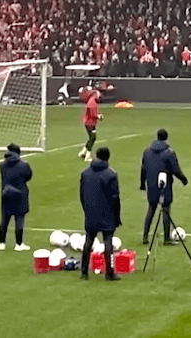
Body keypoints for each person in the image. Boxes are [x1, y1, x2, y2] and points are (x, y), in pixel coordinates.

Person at [79, 146, 121, 281]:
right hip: (107, 212)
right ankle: (109, 273)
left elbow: (81, 194)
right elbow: (115, 197)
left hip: (91, 211)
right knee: (108, 241)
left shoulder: (85, 173)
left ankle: (84, 272)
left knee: (88, 240)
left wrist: (86, 208)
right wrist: (117, 215)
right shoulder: (111, 174)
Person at [141, 128, 188, 246]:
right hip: (164, 184)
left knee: (151, 209)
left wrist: (142, 184)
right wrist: (183, 179)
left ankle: (145, 236)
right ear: (166, 138)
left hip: (151, 184)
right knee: (165, 209)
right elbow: (175, 169)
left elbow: (143, 169)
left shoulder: (147, 151)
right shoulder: (169, 153)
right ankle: (166, 238)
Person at [0, 143, 33, 252]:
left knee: (4, 219)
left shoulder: (2, 165)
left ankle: (1, 243)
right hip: (20, 194)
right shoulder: (24, 165)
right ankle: (18, 244)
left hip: (6, 194)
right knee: (19, 219)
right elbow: (28, 176)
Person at [79, 89, 100, 160]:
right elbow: (93, 114)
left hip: (87, 122)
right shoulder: (92, 103)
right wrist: (99, 116)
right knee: (93, 138)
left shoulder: (90, 101)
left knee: (91, 138)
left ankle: (83, 151)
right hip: (90, 123)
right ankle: (87, 155)